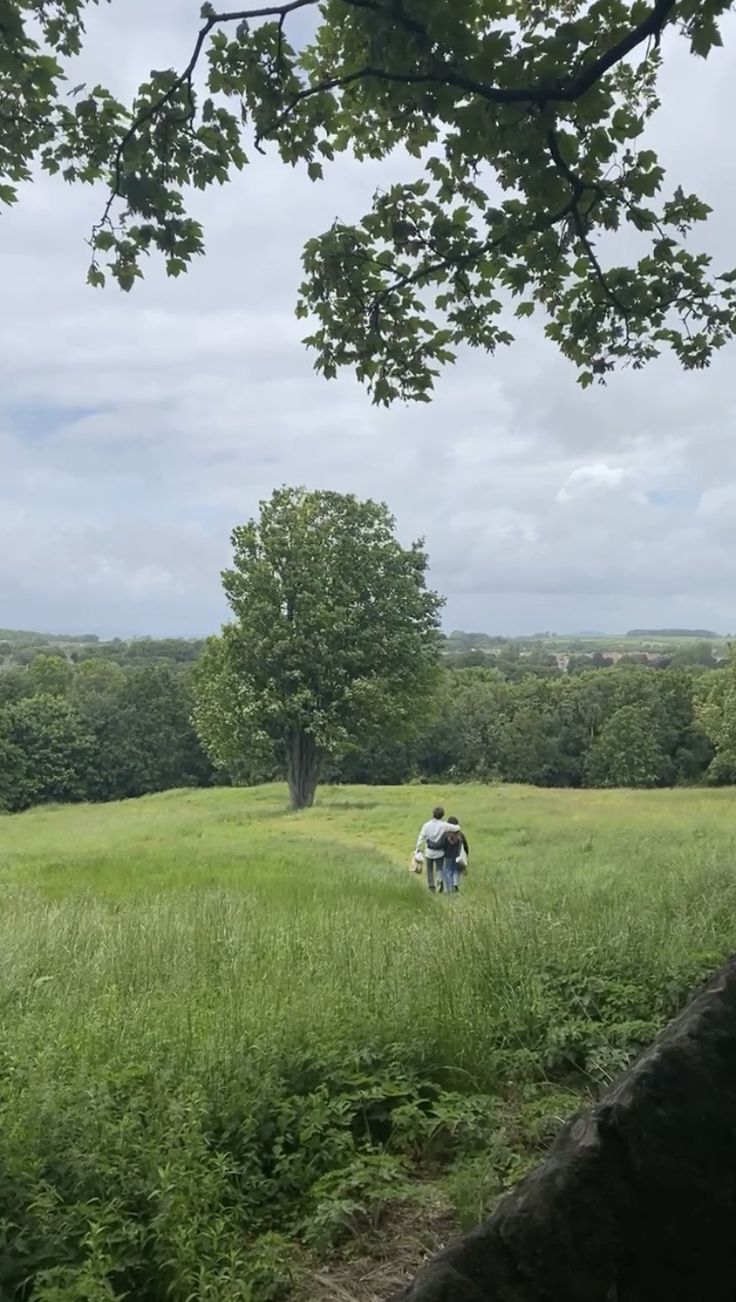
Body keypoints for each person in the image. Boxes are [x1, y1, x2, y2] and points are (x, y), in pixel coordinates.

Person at [414, 805, 461, 893]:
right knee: (439, 868)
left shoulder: (426, 825)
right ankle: (440, 883)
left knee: (430, 869)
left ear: (433, 814)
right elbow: (457, 827)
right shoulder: (444, 825)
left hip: (429, 851)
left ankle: (431, 886)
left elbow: (421, 837)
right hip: (439, 851)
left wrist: (418, 849)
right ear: (442, 815)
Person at [440, 816, 469, 895]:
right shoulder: (460, 834)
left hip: (447, 856)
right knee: (456, 870)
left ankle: (450, 888)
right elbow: (465, 846)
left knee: (448, 871)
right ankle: (455, 884)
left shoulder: (445, 834)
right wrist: (466, 855)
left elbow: (442, 845)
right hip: (457, 856)